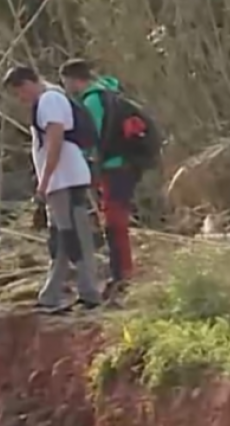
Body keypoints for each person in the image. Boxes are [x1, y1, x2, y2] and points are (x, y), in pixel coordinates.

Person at [3, 65, 103, 312]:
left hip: (64, 179)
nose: (20, 99)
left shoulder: (50, 100)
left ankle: (87, 291)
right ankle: (52, 294)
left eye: (19, 92)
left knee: (73, 235)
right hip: (61, 180)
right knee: (61, 237)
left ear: (27, 83)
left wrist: (44, 182)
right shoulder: (50, 98)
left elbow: (55, 140)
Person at [60, 59, 161, 289]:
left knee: (115, 221)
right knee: (115, 218)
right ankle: (121, 272)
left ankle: (123, 275)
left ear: (73, 80)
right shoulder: (109, 93)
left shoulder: (93, 100)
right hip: (125, 163)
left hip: (116, 165)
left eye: (65, 82)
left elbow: (92, 137)